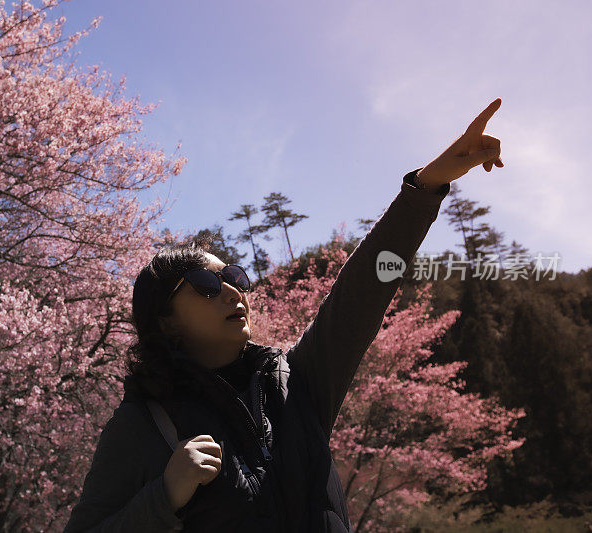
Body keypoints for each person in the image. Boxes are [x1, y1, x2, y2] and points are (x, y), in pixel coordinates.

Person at [63, 98, 505, 532]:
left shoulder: (298, 384)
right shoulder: (143, 425)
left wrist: (426, 188)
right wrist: (165, 496)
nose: (233, 291)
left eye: (234, 276)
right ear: (164, 321)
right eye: (207, 285)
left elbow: (366, 291)